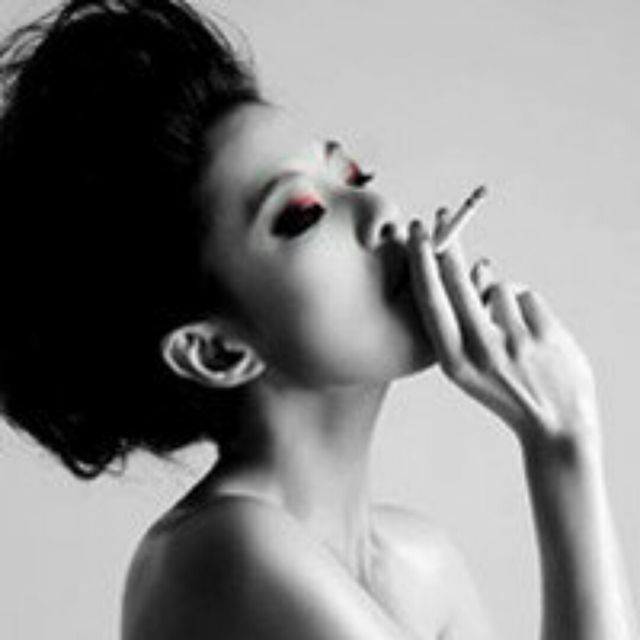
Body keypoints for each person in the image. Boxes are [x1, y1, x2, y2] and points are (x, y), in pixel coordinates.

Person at [0, 1, 637, 638]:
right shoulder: (222, 550)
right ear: (217, 352)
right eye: (303, 214)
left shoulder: (423, 562)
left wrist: (566, 439)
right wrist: (562, 448)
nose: (380, 210)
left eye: (353, 175)